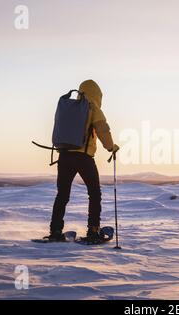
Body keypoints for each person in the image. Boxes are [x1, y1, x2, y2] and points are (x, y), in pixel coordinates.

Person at [47, 79, 119, 242]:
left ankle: (55, 230)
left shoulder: (70, 107)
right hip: (83, 157)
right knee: (94, 194)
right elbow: (103, 130)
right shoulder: (92, 107)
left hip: (64, 156)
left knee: (62, 195)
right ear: (97, 94)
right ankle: (93, 230)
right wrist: (111, 147)